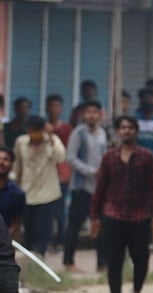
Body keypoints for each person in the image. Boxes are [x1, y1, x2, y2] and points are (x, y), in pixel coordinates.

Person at [91, 116, 153, 293]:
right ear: (118, 132)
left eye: (130, 127)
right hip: (113, 215)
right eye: (123, 128)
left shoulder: (146, 157)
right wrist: (94, 215)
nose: (127, 131)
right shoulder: (109, 157)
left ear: (136, 131)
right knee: (114, 261)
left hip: (140, 216)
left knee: (141, 258)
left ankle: (137, 291)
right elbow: (100, 187)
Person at [63, 100, 108, 273]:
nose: (91, 116)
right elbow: (71, 158)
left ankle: (102, 264)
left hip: (99, 188)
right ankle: (68, 262)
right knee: (74, 226)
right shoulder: (78, 133)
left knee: (100, 226)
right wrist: (91, 171)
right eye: (88, 112)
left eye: (94, 112)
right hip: (81, 187)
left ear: (100, 114)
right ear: (83, 115)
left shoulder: (103, 133)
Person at [12, 115, 66, 257]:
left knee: (44, 229)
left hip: (47, 193)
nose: (33, 134)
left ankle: (42, 256)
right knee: (28, 229)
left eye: (35, 131)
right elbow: (17, 165)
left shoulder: (52, 141)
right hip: (27, 192)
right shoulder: (21, 142)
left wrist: (51, 137)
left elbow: (60, 157)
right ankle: (29, 257)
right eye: (30, 131)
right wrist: (15, 184)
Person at [45, 95, 74, 250]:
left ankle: (62, 241)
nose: (54, 109)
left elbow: (68, 152)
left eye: (56, 106)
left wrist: (66, 172)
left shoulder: (67, 129)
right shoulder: (43, 127)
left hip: (62, 172)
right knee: (48, 210)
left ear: (61, 109)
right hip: (46, 173)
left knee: (60, 210)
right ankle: (48, 240)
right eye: (51, 106)